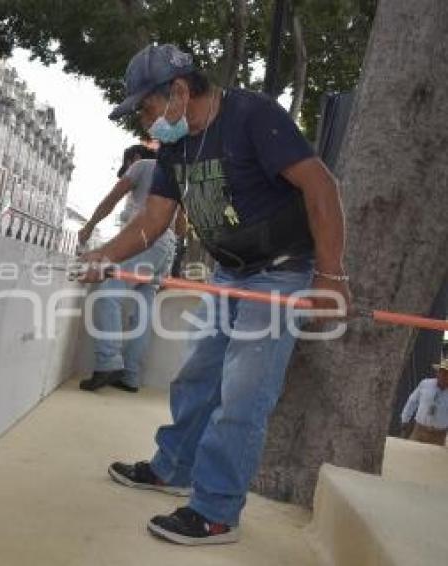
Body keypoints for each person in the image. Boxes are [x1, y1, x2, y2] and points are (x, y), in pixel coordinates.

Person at [79, 44, 351, 545]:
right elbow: (154, 220)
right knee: (197, 375)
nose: (145, 119)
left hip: (282, 273)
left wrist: (331, 278)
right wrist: (103, 256)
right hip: (230, 273)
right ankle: (174, 467)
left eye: (146, 106)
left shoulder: (254, 116)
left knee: (243, 395)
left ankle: (216, 511)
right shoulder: (176, 145)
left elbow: (321, 187)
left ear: (179, 91)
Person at [78, 145, 179, 393]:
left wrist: (90, 225)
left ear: (133, 157)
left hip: (143, 239)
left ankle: (108, 362)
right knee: (143, 306)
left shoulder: (142, 165)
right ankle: (131, 375)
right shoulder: (173, 172)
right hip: (167, 244)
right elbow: (182, 222)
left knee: (107, 289)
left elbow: (111, 199)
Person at [400, 358, 448, 445]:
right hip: (419, 430)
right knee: (412, 453)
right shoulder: (425, 384)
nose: (445, 376)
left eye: (447, 374)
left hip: (439, 435)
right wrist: (405, 419)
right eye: (443, 373)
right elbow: (412, 401)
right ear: (438, 373)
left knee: (433, 458)